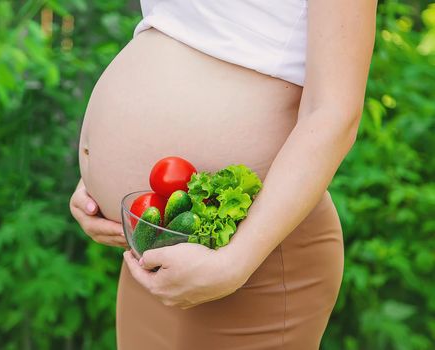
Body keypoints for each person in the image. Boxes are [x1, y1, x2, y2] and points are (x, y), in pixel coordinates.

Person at [69, 0, 377, 348]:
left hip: (249, 260)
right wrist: (100, 172)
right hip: (159, 253)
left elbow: (334, 113)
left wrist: (231, 266)